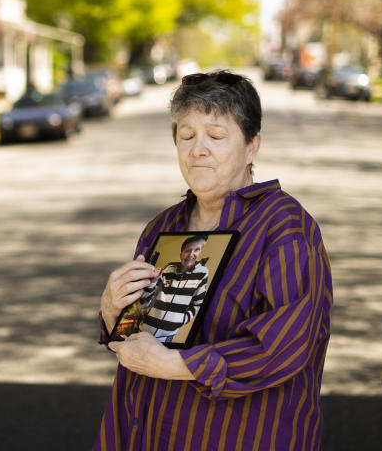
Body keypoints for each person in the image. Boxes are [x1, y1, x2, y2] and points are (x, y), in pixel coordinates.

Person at [96, 71, 333, 450]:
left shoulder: (284, 227)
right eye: (186, 135)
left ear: (252, 146)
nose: (197, 149)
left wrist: (177, 365)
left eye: (216, 136)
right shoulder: (162, 227)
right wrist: (112, 313)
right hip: (143, 431)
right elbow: (138, 340)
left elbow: (286, 345)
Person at [139, 235, 209, 343]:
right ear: (181, 255)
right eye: (188, 250)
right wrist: (152, 282)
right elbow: (145, 302)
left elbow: (198, 303)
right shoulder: (167, 270)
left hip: (167, 339)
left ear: (200, 253)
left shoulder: (202, 273)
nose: (191, 254)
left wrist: (181, 320)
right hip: (144, 331)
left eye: (196, 250)